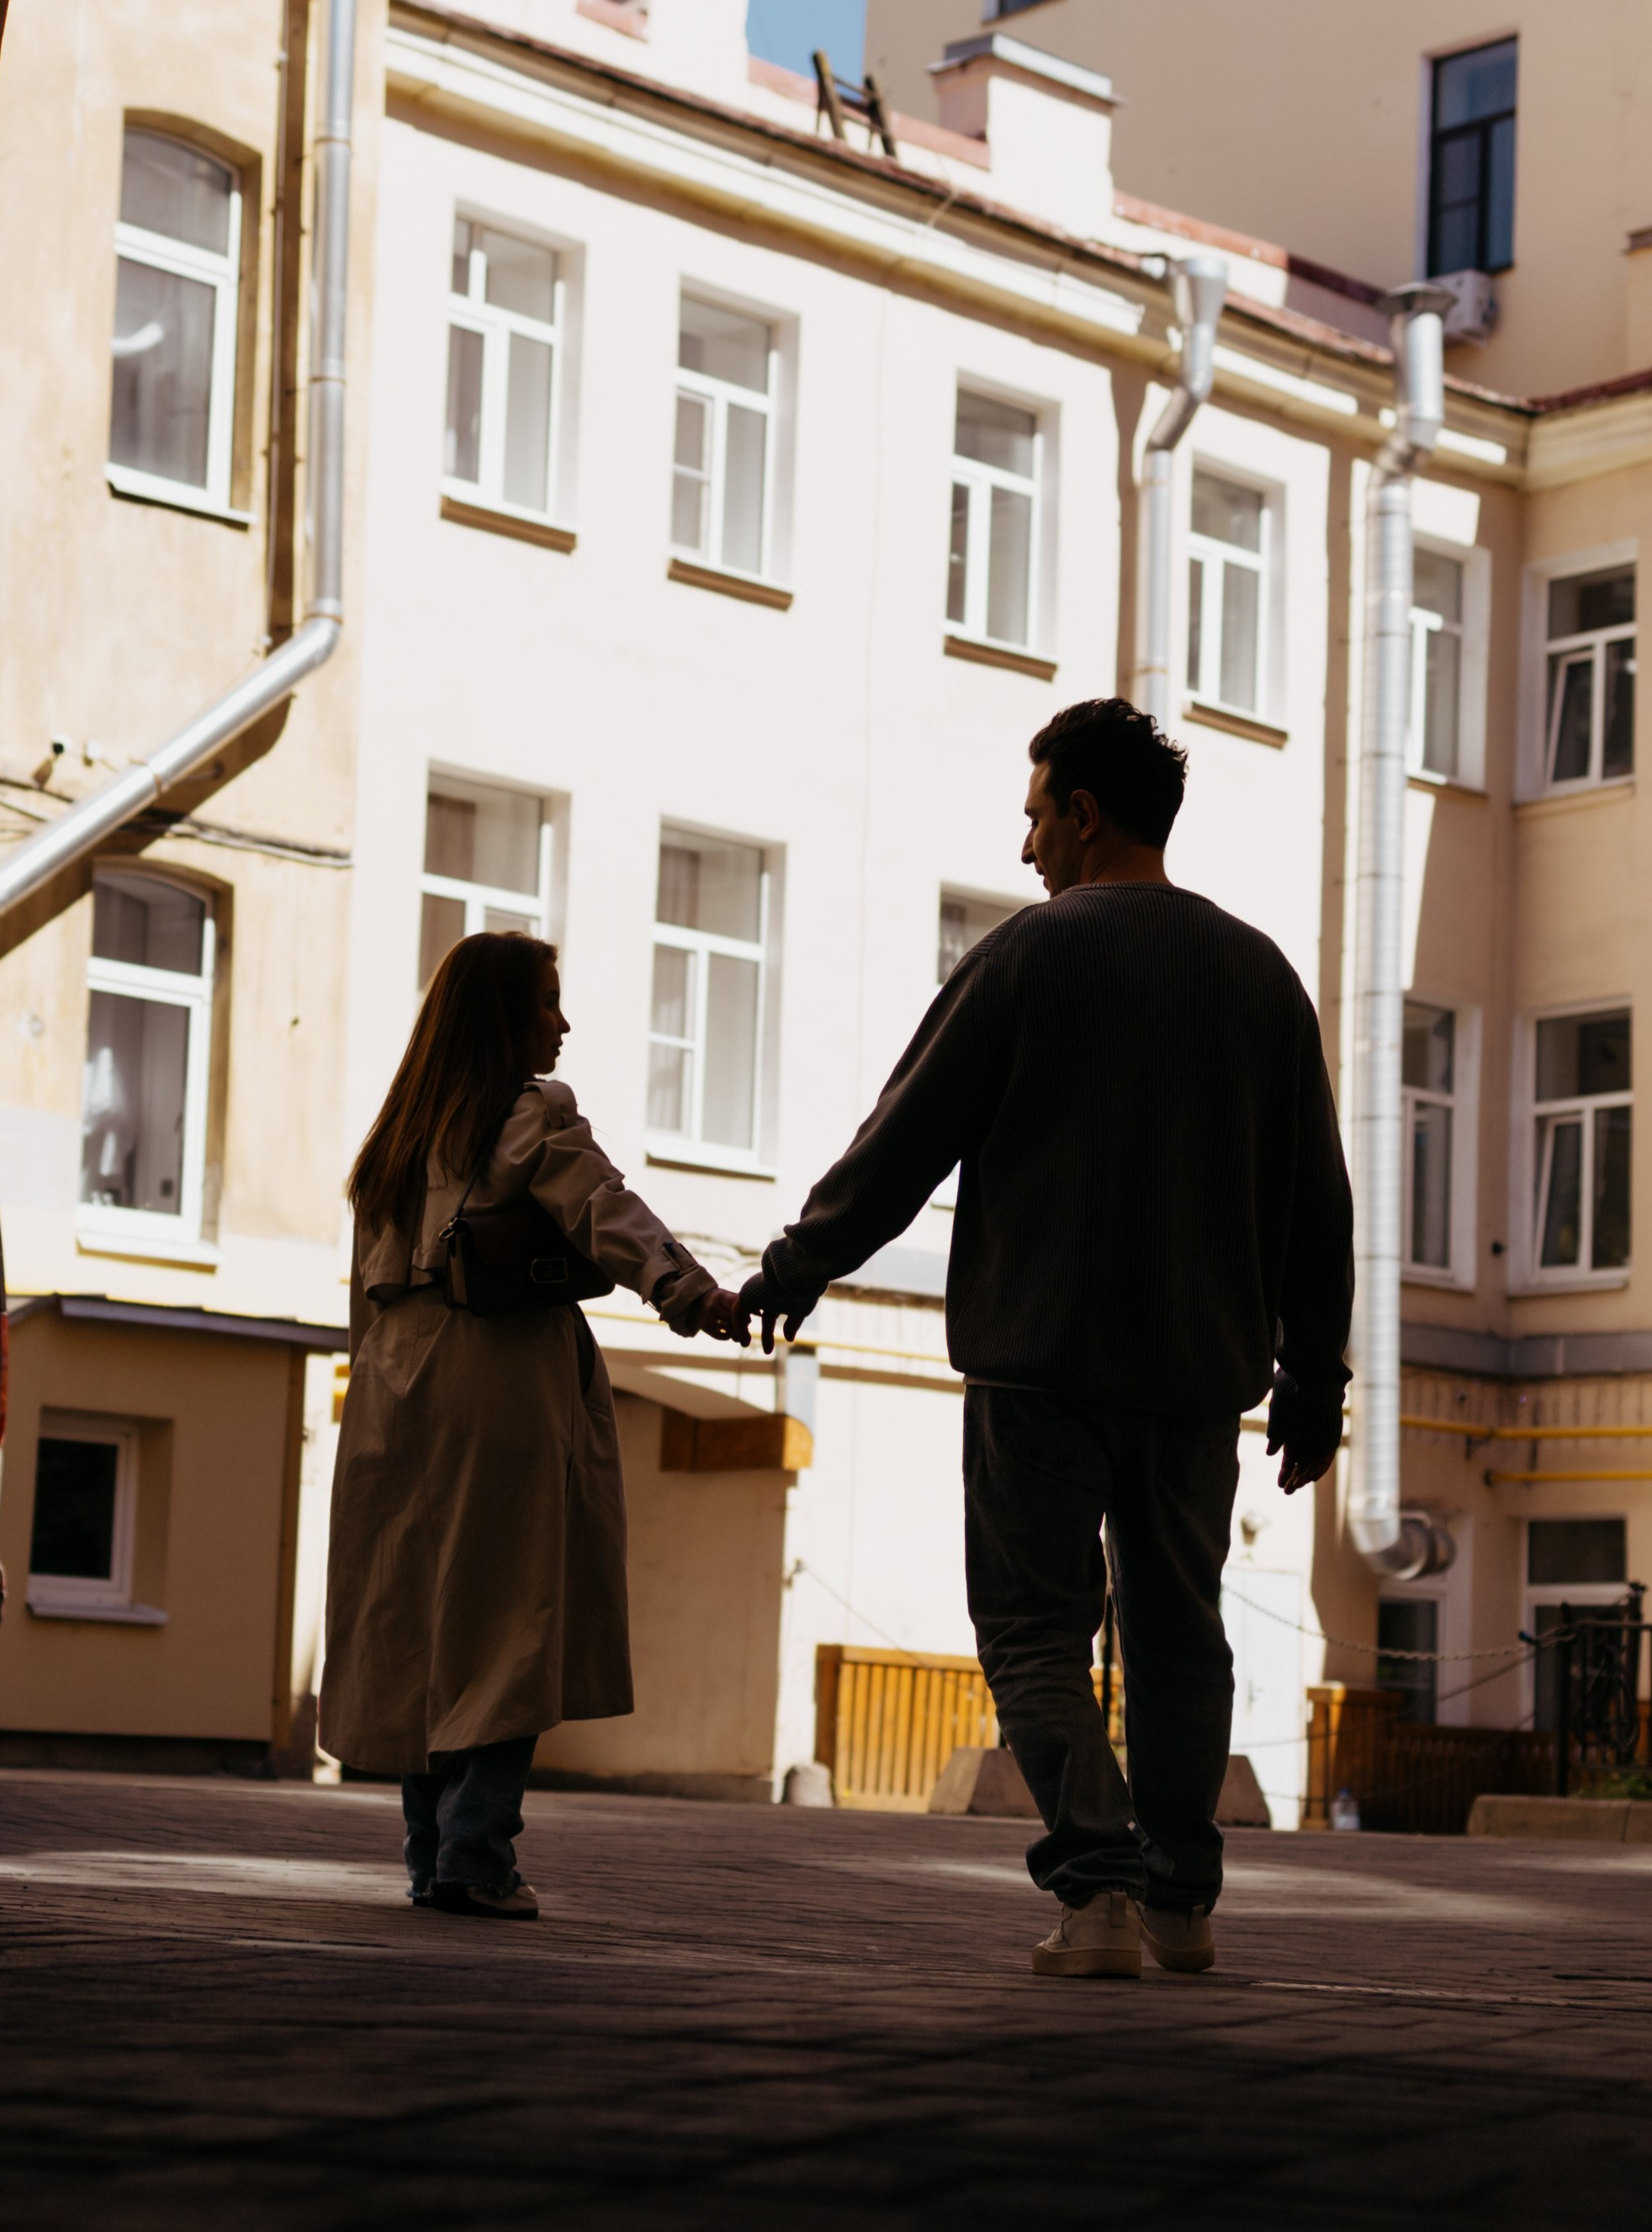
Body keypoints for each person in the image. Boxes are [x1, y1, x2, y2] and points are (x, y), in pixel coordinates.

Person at [725, 698, 1353, 1980]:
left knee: (1030, 1631)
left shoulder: (1030, 958)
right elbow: (1316, 1199)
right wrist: (1314, 1376)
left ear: (1084, 811)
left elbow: (907, 1138)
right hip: (1195, 1377)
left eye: (1034, 816)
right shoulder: (1260, 979)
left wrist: (802, 1264)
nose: (1025, 850)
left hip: (1039, 1363)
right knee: (1184, 1633)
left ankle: (1099, 1895)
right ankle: (1182, 1904)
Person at [320, 929, 733, 1917]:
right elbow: (602, 1207)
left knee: (422, 1619)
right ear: (506, 1018)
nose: (563, 1021)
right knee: (509, 1617)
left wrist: (374, 1390)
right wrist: (691, 1291)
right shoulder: (529, 1116)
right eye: (548, 1001)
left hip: (393, 1383)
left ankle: (430, 1855)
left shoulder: (395, 1140)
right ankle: (477, 1857)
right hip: (496, 1375)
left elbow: (361, 1300)